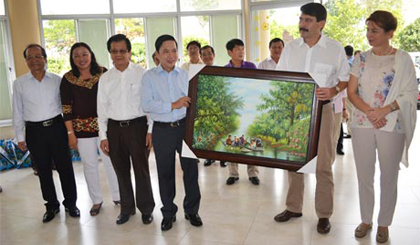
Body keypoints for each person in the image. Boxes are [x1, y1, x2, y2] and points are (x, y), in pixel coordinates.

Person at [274, 3, 350, 234]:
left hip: (326, 111)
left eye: (307, 20)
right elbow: (280, 77)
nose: (302, 24)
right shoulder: (291, 48)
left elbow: (345, 79)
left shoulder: (334, 48)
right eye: (301, 19)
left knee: (324, 164)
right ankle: (294, 207)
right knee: (294, 160)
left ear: (321, 23)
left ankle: (324, 214)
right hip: (295, 112)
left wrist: (334, 90)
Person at [348, 11, 417, 243]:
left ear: (390, 33)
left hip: (392, 124)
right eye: (368, 29)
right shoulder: (361, 59)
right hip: (361, 123)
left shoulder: (402, 58)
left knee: (388, 176)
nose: (369, 35)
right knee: (364, 175)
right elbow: (351, 92)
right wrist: (371, 112)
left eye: (375, 31)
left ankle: (384, 223)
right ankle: (366, 219)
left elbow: (410, 93)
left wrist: (384, 111)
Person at [141, 34, 202, 232]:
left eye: (174, 50)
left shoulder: (185, 75)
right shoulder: (148, 77)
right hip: (162, 131)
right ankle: (168, 213)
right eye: (165, 51)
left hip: (185, 128)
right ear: (157, 54)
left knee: (191, 171)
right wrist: (173, 105)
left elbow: (194, 102)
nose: (170, 55)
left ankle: (192, 210)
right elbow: (146, 105)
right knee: (165, 173)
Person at [13, 44, 80, 223]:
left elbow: (66, 108)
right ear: (26, 61)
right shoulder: (19, 83)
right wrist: (20, 137)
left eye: (38, 56)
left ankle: (71, 204)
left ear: (45, 59)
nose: (34, 60)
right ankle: (51, 205)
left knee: (65, 167)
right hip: (34, 131)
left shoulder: (57, 80)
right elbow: (17, 111)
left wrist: (69, 132)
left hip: (56, 127)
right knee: (43, 171)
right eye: (30, 57)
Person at [97, 34, 155, 225]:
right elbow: (102, 109)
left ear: (129, 52)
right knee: (120, 170)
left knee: (142, 170)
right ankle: (127, 209)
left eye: (122, 51)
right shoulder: (105, 78)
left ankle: (146, 209)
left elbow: (150, 103)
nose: (119, 55)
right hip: (114, 129)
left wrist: (150, 131)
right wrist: (103, 136)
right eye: (114, 51)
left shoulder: (141, 73)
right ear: (110, 54)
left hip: (138, 127)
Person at [60, 42, 120, 216]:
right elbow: (66, 109)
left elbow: (113, 99)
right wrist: (70, 133)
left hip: (105, 129)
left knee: (111, 162)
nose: (81, 58)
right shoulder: (68, 79)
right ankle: (96, 200)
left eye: (84, 54)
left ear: (91, 55)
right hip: (81, 131)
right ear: (72, 59)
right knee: (89, 165)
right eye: (76, 55)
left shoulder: (104, 73)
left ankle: (118, 195)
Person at [224, 38, 260, 186]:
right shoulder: (224, 69)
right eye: (237, 49)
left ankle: (253, 173)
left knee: (251, 140)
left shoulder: (251, 66)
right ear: (230, 52)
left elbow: (258, 85)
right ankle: (233, 173)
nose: (241, 52)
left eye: (242, 49)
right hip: (233, 110)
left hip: (250, 108)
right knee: (232, 142)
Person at [200, 45, 227, 168]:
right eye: (204, 54)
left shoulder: (220, 70)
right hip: (206, 108)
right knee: (208, 133)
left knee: (220, 131)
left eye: (209, 53)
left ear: (214, 55)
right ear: (201, 57)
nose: (207, 56)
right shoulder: (198, 72)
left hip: (220, 107)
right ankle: (209, 157)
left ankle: (223, 157)